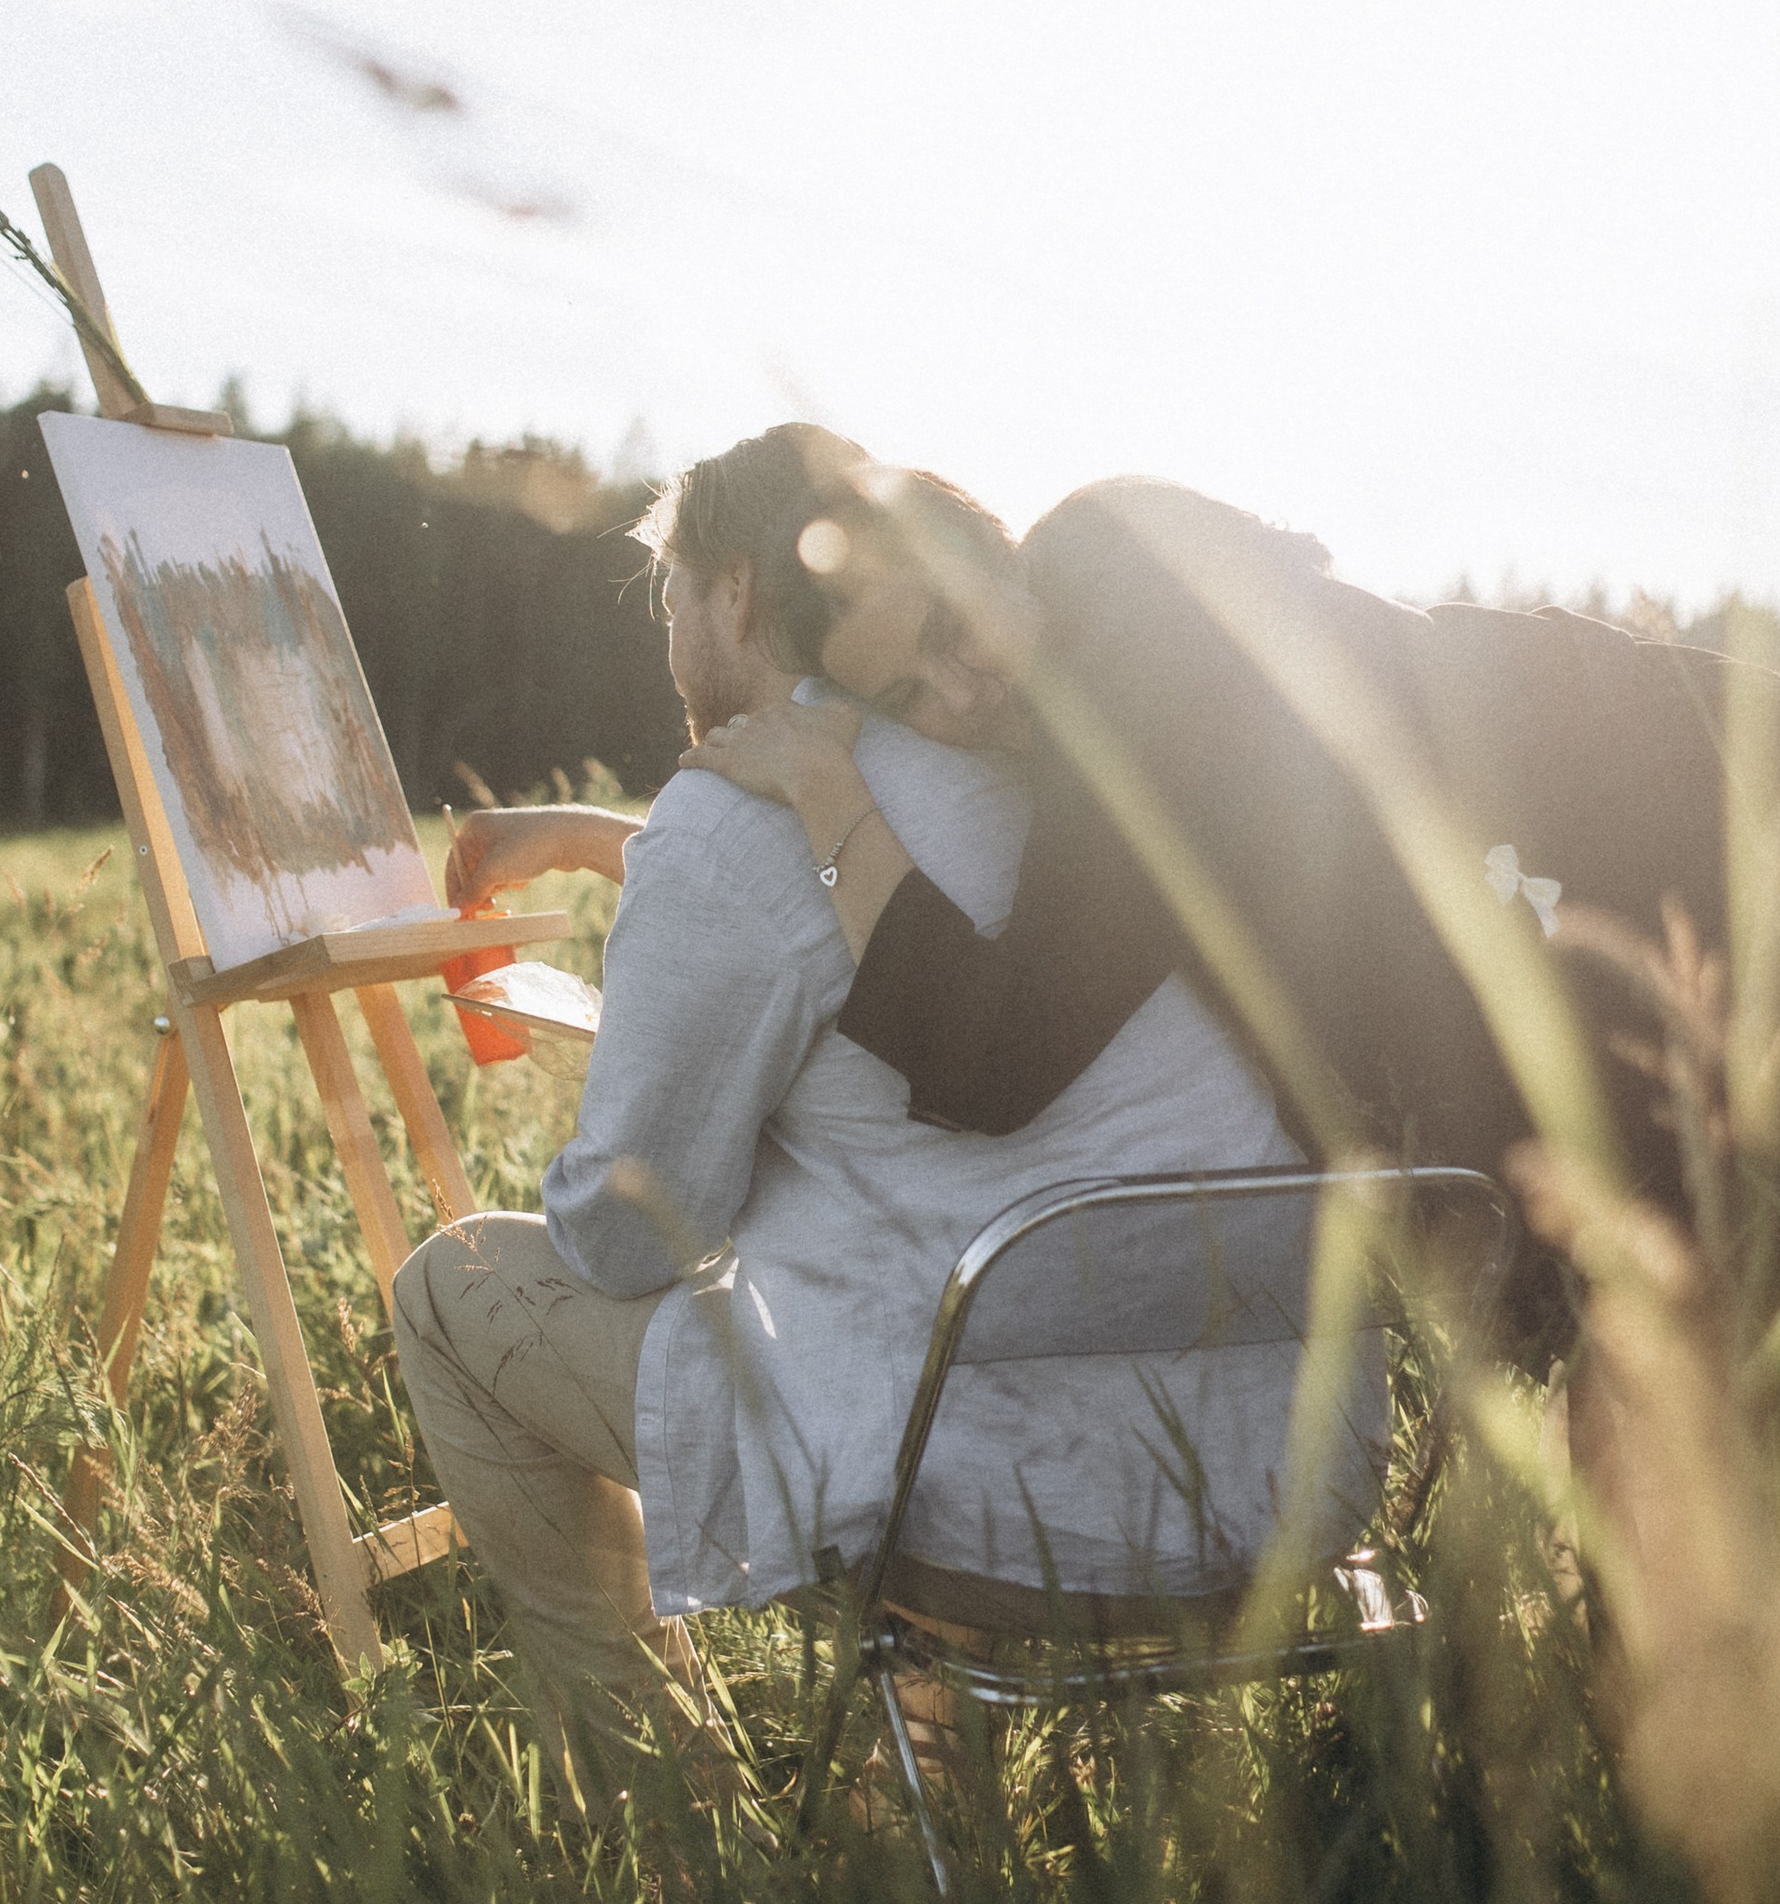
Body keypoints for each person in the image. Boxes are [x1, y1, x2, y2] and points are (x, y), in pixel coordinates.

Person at [390, 429, 1368, 1738]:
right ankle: (900, 1824)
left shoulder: (733, 819)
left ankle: (650, 1816)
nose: (667, 632)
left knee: (454, 1288)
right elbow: (876, 893)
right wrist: (617, 849)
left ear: (735, 591)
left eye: (668, 595)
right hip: (1286, 1479)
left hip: (1016, 1516)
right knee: (906, 1278)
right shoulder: (1091, 775)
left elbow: (625, 1237)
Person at [683, 468, 1780, 1444]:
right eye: (910, 696)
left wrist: (825, 796)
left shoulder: (1135, 657)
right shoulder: (1118, 632)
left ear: (992, 551)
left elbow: (993, 1053)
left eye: (950, 630)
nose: (961, 693)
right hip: (1773, 856)